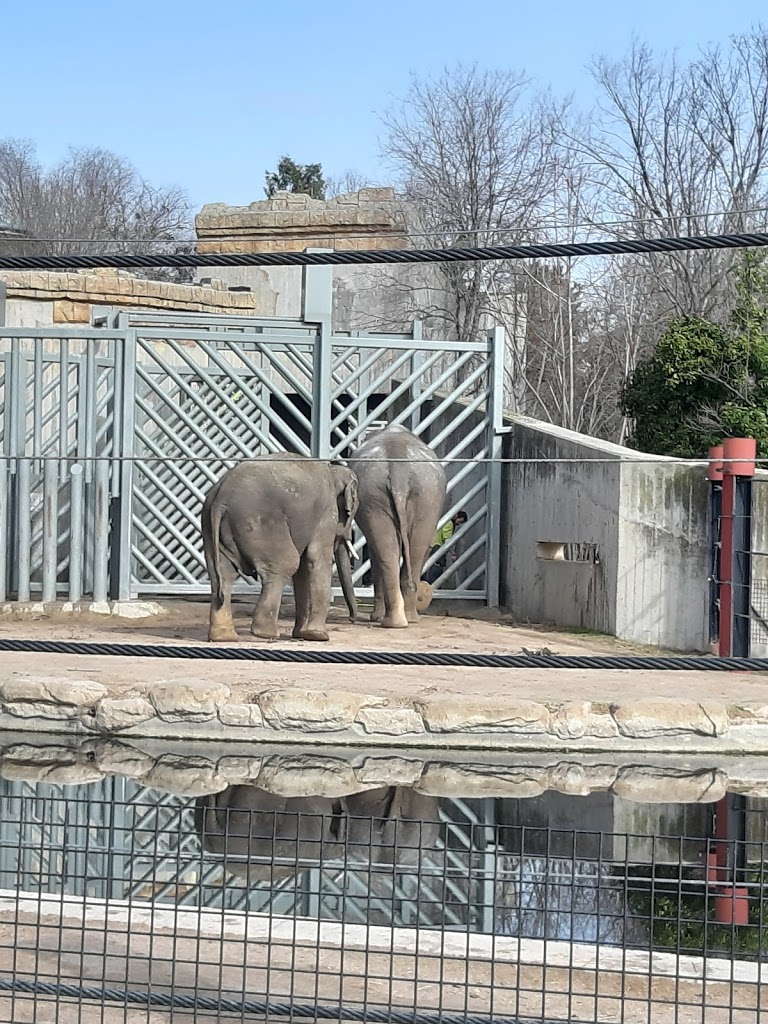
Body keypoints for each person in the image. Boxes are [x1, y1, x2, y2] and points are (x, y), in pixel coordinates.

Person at [422, 511, 468, 585]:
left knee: (429, 565)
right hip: (437, 546)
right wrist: (453, 553)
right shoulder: (449, 524)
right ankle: (434, 584)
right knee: (439, 565)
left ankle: (427, 583)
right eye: (460, 521)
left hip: (432, 544)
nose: (459, 524)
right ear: (457, 517)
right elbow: (447, 541)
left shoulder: (447, 522)